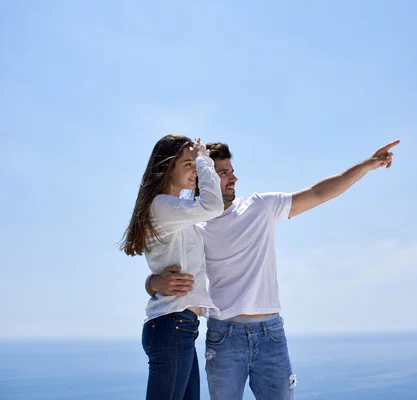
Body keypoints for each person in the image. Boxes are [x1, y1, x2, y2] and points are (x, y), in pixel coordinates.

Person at [147, 139, 399, 399]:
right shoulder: (194, 227)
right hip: (224, 337)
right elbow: (168, 260)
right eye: (223, 173)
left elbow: (319, 192)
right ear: (204, 177)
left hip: (270, 335)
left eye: (231, 171)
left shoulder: (260, 207)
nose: (233, 178)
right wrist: (152, 283)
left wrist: (367, 165)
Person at [120, 134, 224, 400]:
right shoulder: (162, 206)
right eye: (188, 164)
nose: (195, 171)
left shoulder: (172, 210)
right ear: (168, 167)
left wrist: (151, 283)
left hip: (179, 326)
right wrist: (204, 160)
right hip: (172, 324)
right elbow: (213, 205)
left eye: (194, 164)